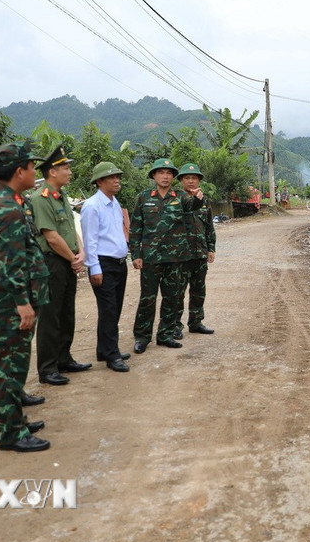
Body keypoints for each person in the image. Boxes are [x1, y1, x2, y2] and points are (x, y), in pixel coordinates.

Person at [0, 141, 50, 452]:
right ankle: (10, 433)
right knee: (9, 366)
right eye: (32, 167)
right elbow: (10, 261)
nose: (35, 172)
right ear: (19, 171)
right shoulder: (6, 207)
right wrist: (22, 302)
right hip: (8, 300)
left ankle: (7, 415)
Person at [28, 145, 90, 386]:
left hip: (67, 260)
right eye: (66, 167)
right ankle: (47, 368)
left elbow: (70, 229)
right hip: (52, 262)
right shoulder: (40, 198)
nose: (70, 171)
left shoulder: (61, 195)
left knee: (66, 313)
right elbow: (51, 236)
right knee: (51, 316)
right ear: (52, 172)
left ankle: (64, 358)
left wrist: (81, 252)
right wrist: (73, 258)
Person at [129, 158, 206, 353]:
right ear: (154, 175)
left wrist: (198, 198)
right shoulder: (143, 197)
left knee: (171, 298)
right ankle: (142, 337)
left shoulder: (180, 196)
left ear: (173, 177)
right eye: (161, 172)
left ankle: (165, 334)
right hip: (151, 258)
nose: (165, 176)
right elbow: (136, 228)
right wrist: (136, 255)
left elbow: (193, 207)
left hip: (176, 258)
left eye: (169, 173)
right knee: (148, 298)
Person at [80, 162, 131, 372]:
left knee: (115, 308)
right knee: (108, 309)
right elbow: (89, 239)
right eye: (111, 178)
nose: (116, 181)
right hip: (104, 264)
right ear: (100, 182)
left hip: (119, 263)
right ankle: (112, 355)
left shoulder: (114, 202)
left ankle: (105, 349)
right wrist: (95, 268)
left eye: (118, 177)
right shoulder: (92, 206)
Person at [176, 163, 216, 335]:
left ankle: (196, 322)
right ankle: (175, 325)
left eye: (194, 178)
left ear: (199, 180)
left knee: (198, 289)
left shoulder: (204, 200)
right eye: (187, 178)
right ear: (181, 181)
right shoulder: (175, 199)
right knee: (178, 291)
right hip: (180, 253)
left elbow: (209, 226)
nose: (191, 181)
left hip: (200, 252)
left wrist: (211, 248)